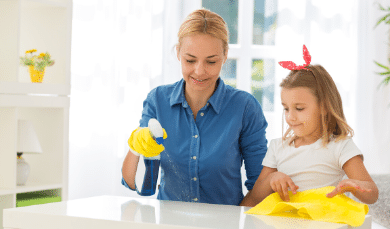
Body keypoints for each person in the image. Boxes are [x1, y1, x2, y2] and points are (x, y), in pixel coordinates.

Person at [122, 8, 268, 207]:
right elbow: (132, 181)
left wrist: (232, 228)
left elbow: (261, 185)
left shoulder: (244, 107)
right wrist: (135, 145)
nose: (199, 71)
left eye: (211, 61)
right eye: (190, 60)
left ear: (225, 55)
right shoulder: (158, 100)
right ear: (178, 53)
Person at [240, 45, 379, 207]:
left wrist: (353, 185)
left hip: (320, 227)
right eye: (286, 108)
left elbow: (372, 194)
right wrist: (272, 179)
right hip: (282, 225)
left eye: (299, 108)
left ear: (324, 107)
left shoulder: (340, 146)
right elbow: (253, 199)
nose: (290, 117)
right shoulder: (278, 147)